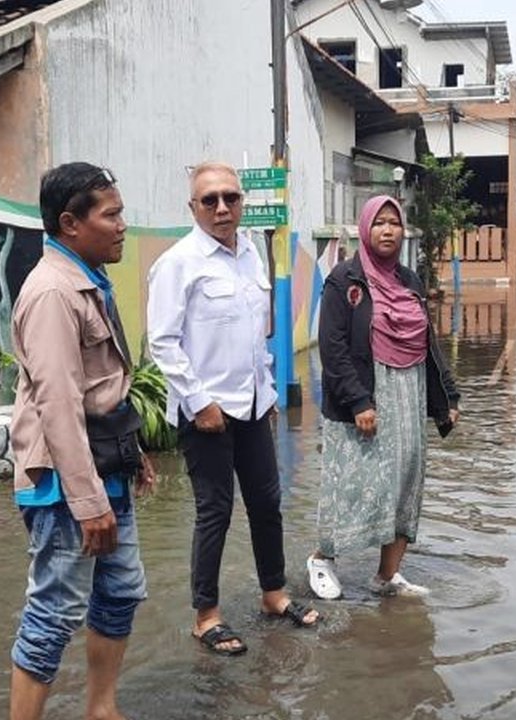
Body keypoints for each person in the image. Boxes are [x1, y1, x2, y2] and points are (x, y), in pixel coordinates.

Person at [147, 161, 319, 657]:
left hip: (252, 408)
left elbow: (253, 335)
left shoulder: (250, 254)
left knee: (267, 504)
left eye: (231, 198)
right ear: (193, 207)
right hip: (207, 415)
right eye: (210, 200)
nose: (222, 208)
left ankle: (273, 594)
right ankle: (207, 617)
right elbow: (163, 343)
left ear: (242, 202)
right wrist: (200, 403)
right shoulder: (179, 262)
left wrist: (265, 394)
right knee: (214, 513)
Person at [8, 162, 155, 720]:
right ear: (70, 223)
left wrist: (131, 453)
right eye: (111, 214)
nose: (122, 225)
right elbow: (58, 405)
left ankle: (102, 708)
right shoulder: (51, 293)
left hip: (104, 467)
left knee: (120, 593)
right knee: (53, 612)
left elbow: (102, 388)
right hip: (66, 487)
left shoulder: (87, 279)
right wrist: (88, 501)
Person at [307, 194, 461, 600]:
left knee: (405, 480)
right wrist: (359, 401)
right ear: (365, 228)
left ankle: (387, 575)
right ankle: (322, 559)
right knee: (355, 483)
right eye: (379, 222)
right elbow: (333, 346)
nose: (388, 230)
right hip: (367, 393)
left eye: (394, 222)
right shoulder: (344, 280)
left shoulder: (409, 281)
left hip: (409, 393)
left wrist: (447, 395)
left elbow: (428, 343)